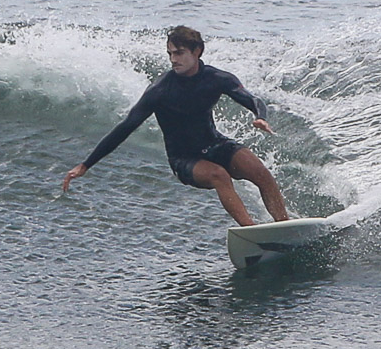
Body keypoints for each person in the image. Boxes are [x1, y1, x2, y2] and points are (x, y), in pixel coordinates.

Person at [62, 26, 290, 227]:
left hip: (215, 144)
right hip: (185, 159)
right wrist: (86, 165)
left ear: (197, 52)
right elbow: (125, 128)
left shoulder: (217, 78)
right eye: (170, 53)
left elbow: (252, 99)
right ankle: (251, 231)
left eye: (179, 53)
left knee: (260, 172)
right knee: (219, 175)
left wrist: (260, 116)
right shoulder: (160, 90)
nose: (173, 59)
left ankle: (284, 225)